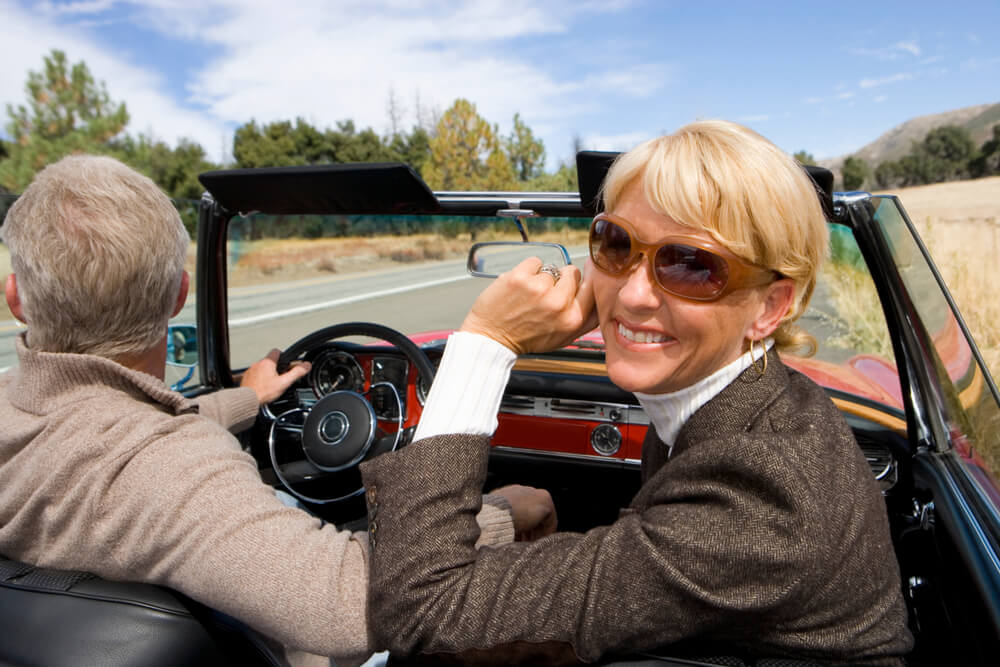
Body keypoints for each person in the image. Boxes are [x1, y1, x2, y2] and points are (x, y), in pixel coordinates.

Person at [360, 121, 914, 664]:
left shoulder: (763, 494)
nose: (632, 294)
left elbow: (421, 611)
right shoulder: (739, 399)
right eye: (616, 243)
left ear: (770, 307)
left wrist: (487, 340)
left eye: (693, 265)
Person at [0, 155, 556, 666]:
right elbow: (348, 605)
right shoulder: (167, 468)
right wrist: (499, 513)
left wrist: (252, 397)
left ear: (14, 296)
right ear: (178, 295)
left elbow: (110, 428)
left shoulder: (22, 410)